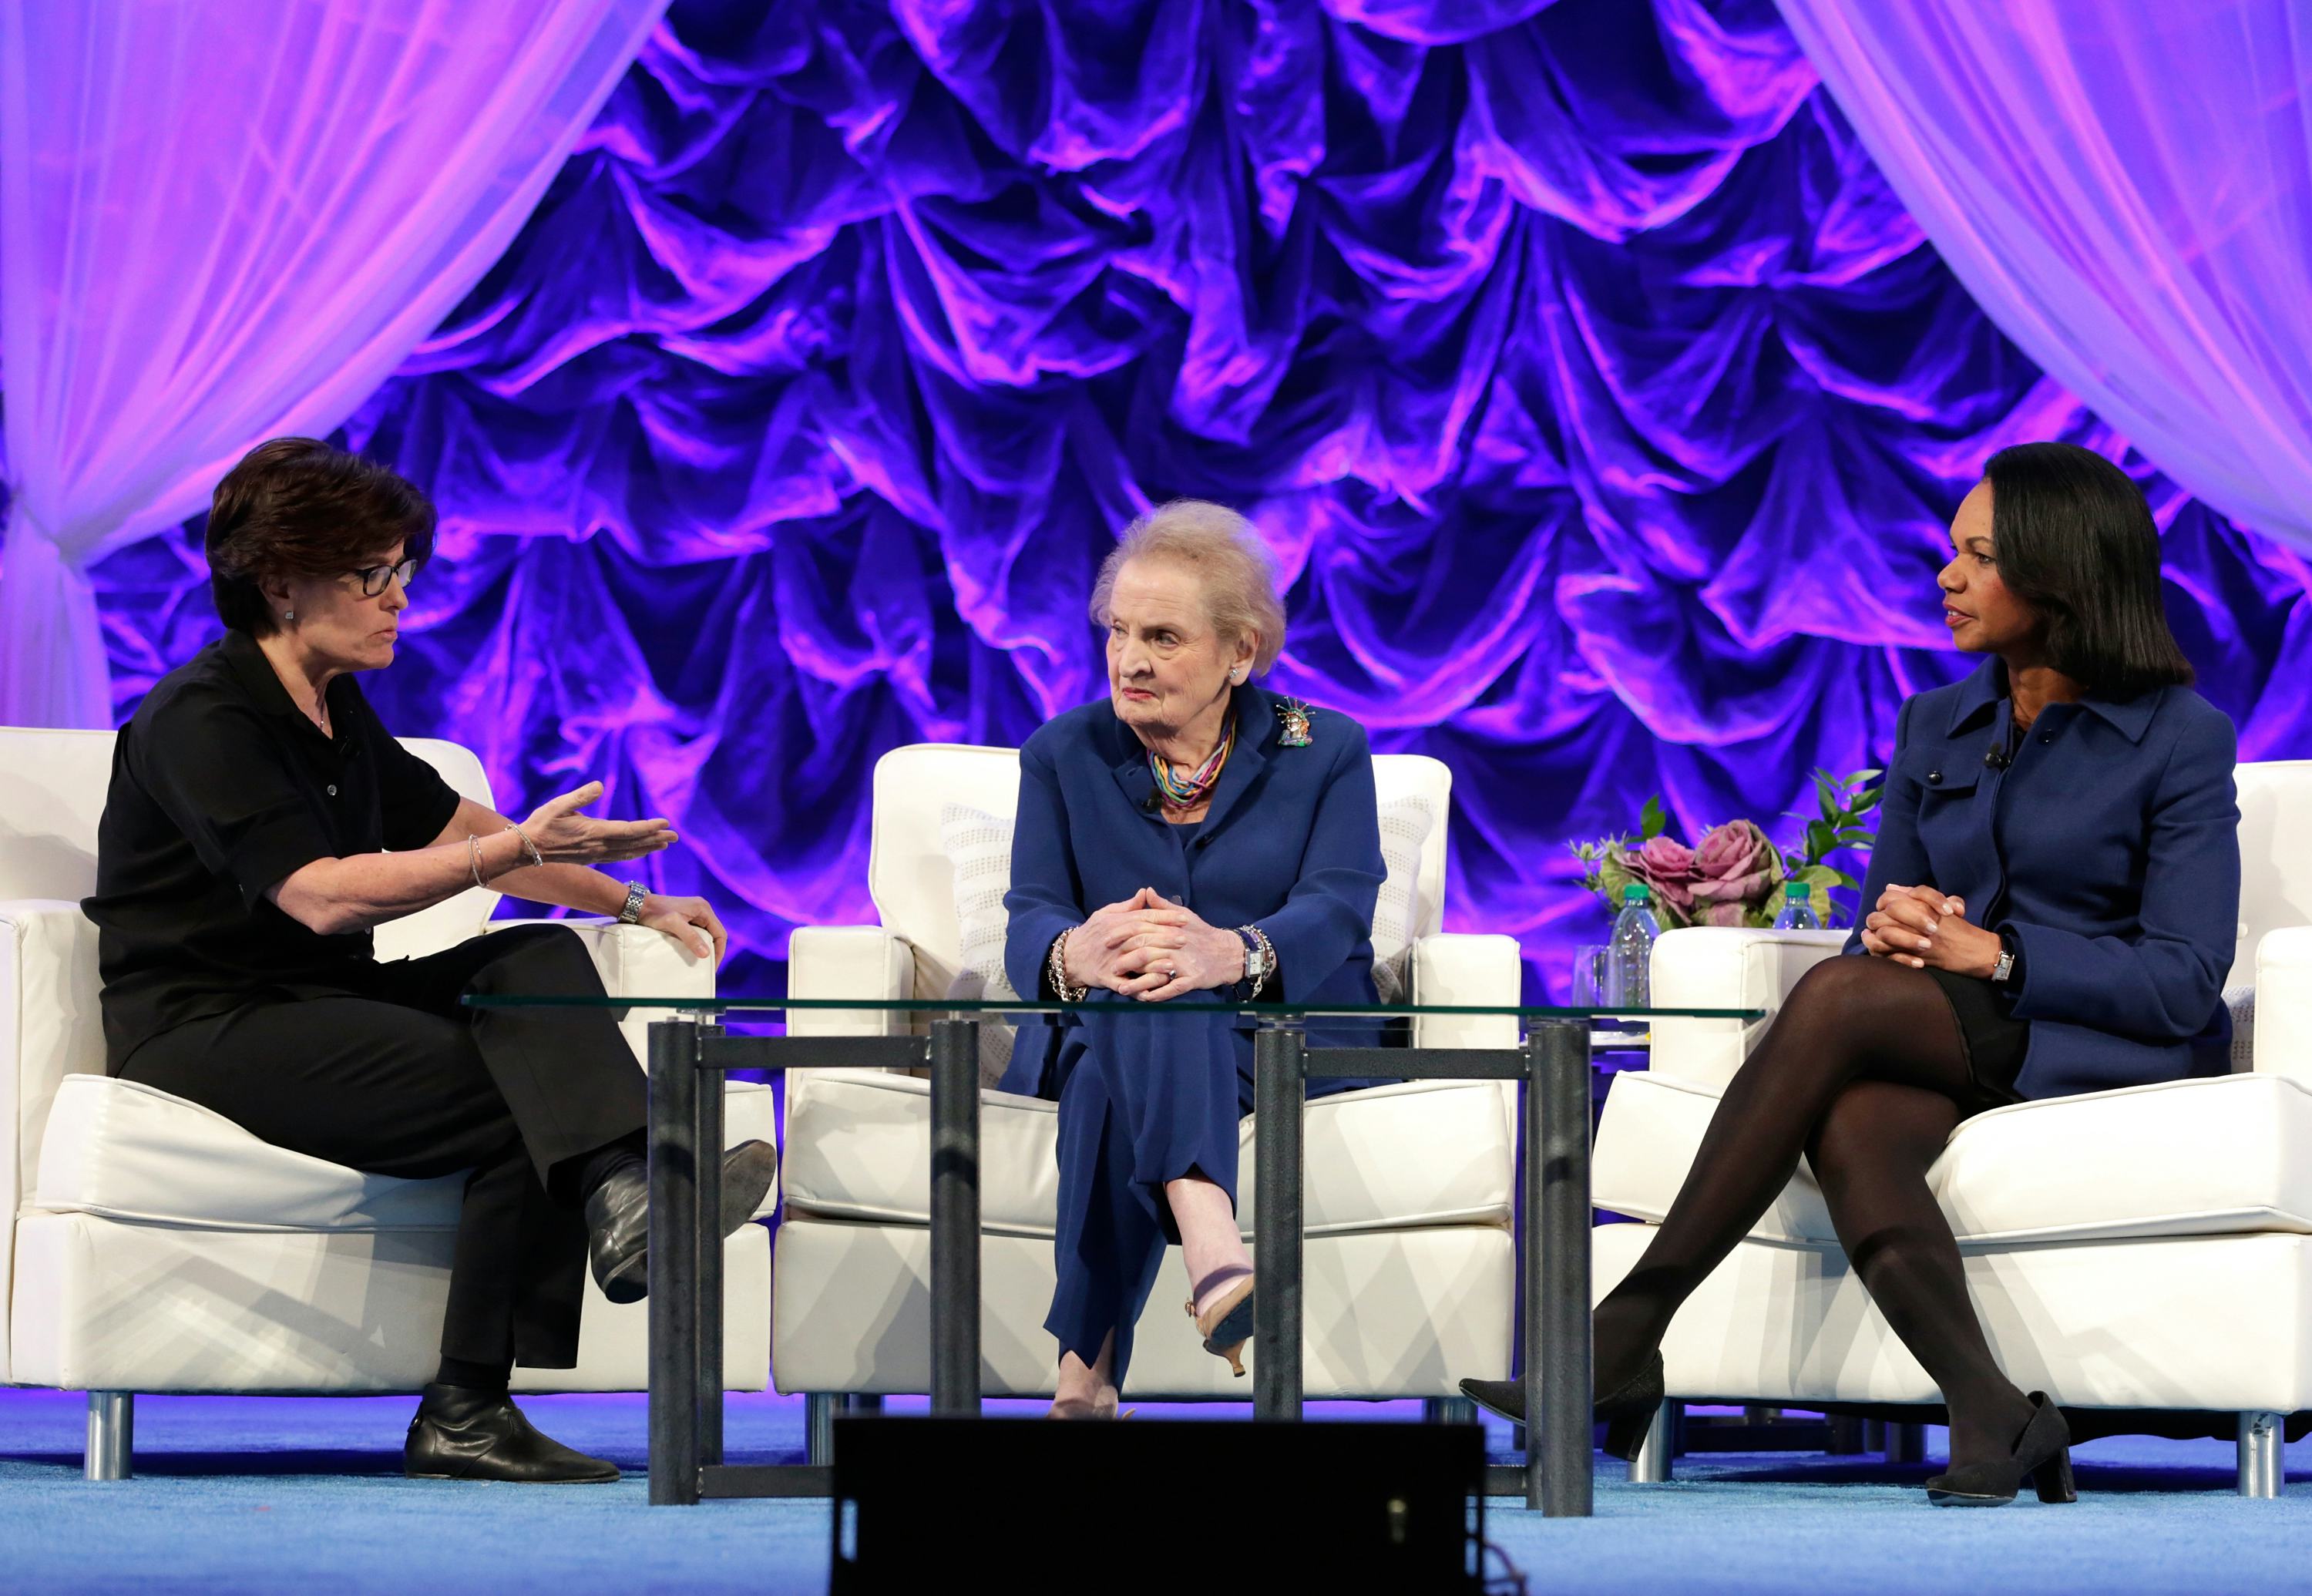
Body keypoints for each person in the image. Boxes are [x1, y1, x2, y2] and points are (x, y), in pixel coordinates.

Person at [1461, 442, 2240, 1507]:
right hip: (1950, 1033)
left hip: (2100, 1039)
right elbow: (1872, 943)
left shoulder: (2180, 739)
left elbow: (2186, 979)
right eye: (1950, 552)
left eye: (1979, 557)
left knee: (1831, 1006)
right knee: (1854, 1118)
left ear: (2059, 576)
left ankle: (1627, 1327)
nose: (1946, 578)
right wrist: (1898, 927)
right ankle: (1996, 1411)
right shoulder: (1937, 723)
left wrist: (2001, 954)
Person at [83, 438, 778, 1483]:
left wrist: (635, 899)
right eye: (372, 574)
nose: (398, 596)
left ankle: (628, 1198)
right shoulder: (202, 717)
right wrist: (507, 850)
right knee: (520, 1090)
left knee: (533, 959)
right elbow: (318, 896)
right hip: (202, 1021)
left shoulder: (333, 708)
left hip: (313, 996)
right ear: (279, 578)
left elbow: (470, 825)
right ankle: (478, 1391)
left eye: (401, 570)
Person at [1003, 499, 1388, 1418]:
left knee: (1129, 1028)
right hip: (1131, 1025)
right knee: (1136, 986)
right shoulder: (1064, 753)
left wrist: (1232, 953)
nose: (1129, 660)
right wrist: (1075, 950)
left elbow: (1339, 902)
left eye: (1163, 637)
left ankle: (1083, 1380)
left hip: (1284, 1041)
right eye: (1119, 632)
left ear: (1240, 653)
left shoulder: (1323, 747)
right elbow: (1031, 916)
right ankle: (1211, 1239)